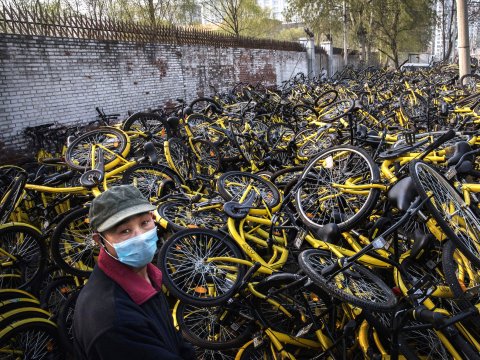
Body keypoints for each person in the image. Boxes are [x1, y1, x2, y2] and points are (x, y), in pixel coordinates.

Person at [73, 185, 195, 360]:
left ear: (153, 219)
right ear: (100, 241)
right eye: (125, 231)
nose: (140, 237)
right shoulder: (114, 321)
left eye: (144, 223)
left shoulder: (146, 275)